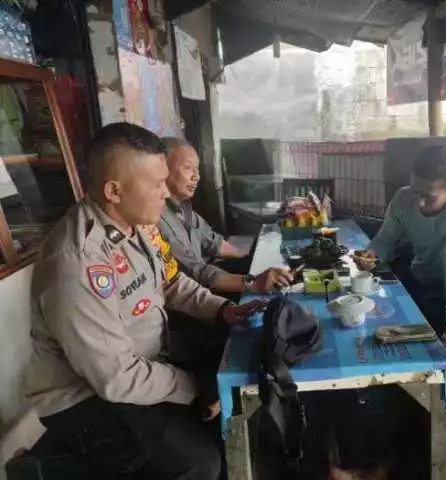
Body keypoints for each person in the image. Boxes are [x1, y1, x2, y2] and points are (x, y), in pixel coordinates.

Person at [23, 123, 265, 480]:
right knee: (200, 464)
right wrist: (195, 386)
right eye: (155, 184)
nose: (165, 193)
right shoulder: (78, 263)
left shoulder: (138, 225)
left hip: (146, 362)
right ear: (114, 190)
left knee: (238, 373)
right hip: (84, 399)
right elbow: (116, 378)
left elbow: (172, 281)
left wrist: (223, 310)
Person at [355, 145, 446, 328]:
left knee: (411, 329)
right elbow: (383, 241)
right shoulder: (403, 197)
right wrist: (369, 258)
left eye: (429, 197)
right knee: (374, 313)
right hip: (425, 281)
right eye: (415, 190)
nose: (418, 202)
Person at [159, 137, 293, 295]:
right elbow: (195, 272)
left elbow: (213, 241)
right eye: (188, 168)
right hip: (193, 294)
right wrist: (253, 283)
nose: (197, 177)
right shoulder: (155, 219)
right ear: (161, 169)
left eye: (197, 169)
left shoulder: (184, 207)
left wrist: (251, 258)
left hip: (205, 280)